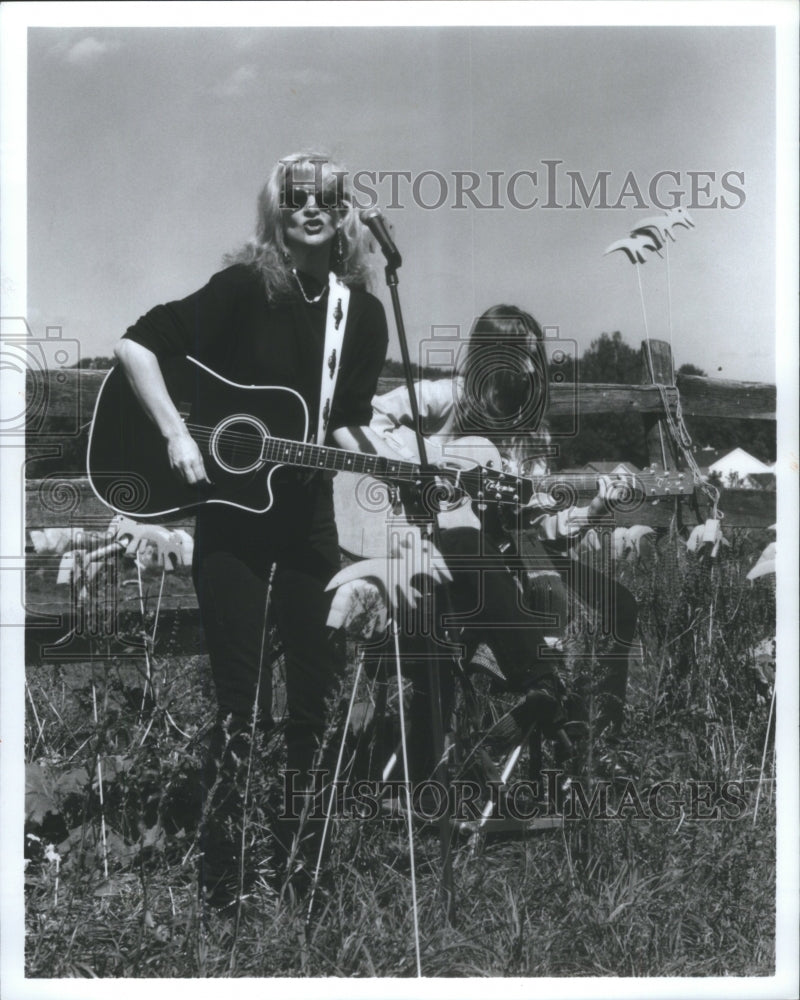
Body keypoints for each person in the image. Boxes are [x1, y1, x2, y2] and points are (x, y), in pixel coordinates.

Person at [114, 151, 389, 906]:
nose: (311, 206)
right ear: (278, 210)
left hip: (307, 520)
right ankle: (224, 880)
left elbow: (348, 428)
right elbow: (136, 345)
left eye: (326, 197)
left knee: (313, 696)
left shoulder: (359, 313)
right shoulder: (243, 288)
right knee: (238, 699)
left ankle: (306, 869)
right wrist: (176, 432)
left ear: (345, 214)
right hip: (233, 521)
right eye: (296, 196)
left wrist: (395, 466)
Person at [368, 305, 638, 770]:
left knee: (619, 604)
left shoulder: (530, 433)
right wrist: (428, 468)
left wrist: (597, 507)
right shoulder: (447, 396)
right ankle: (546, 714)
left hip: (512, 555)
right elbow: (373, 417)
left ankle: (596, 742)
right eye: (521, 355)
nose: (532, 368)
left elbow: (542, 524)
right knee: (542, 592)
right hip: (443, 553)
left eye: (535, 356)